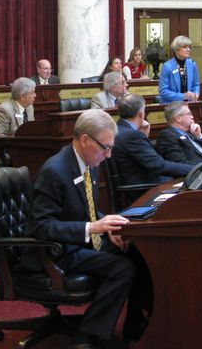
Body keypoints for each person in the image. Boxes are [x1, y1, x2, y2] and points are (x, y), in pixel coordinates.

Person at [29, 109, 151, 347]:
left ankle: (135, 324)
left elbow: (87, 211)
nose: (109, 155)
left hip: (82, 241)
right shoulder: (55, 170)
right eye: (106, 147)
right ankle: (87, 336)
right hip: (61, 250)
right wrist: (93, 227)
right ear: (85, 140)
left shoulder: (89, 162)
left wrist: (108, 226)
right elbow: (42, 227)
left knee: (139, 252)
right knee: (123, 268)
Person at [112, 93, 194, 190]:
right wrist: (194, 169)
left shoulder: (119, 129)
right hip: (144, 187)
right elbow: (158, 165)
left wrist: (144, 136)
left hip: (139, 181)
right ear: (141, 114)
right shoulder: (132, 135)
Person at [154, 101, 202, 166]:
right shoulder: (167, 136)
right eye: (189, 114)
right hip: (200, 172)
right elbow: (181, 163)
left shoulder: (189, 134)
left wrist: (199, 136)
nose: (192, 117)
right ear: (178, 118)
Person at [158, 35, 200, 104]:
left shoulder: (192, 64)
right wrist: (183, 96)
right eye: (184, 47)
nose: (188, 49)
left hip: (190, 104)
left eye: (189, 47)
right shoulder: (167, 66)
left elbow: (196, 84)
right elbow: (163, 91)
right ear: (176, 49)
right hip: (172, 105)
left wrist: (195, 94)